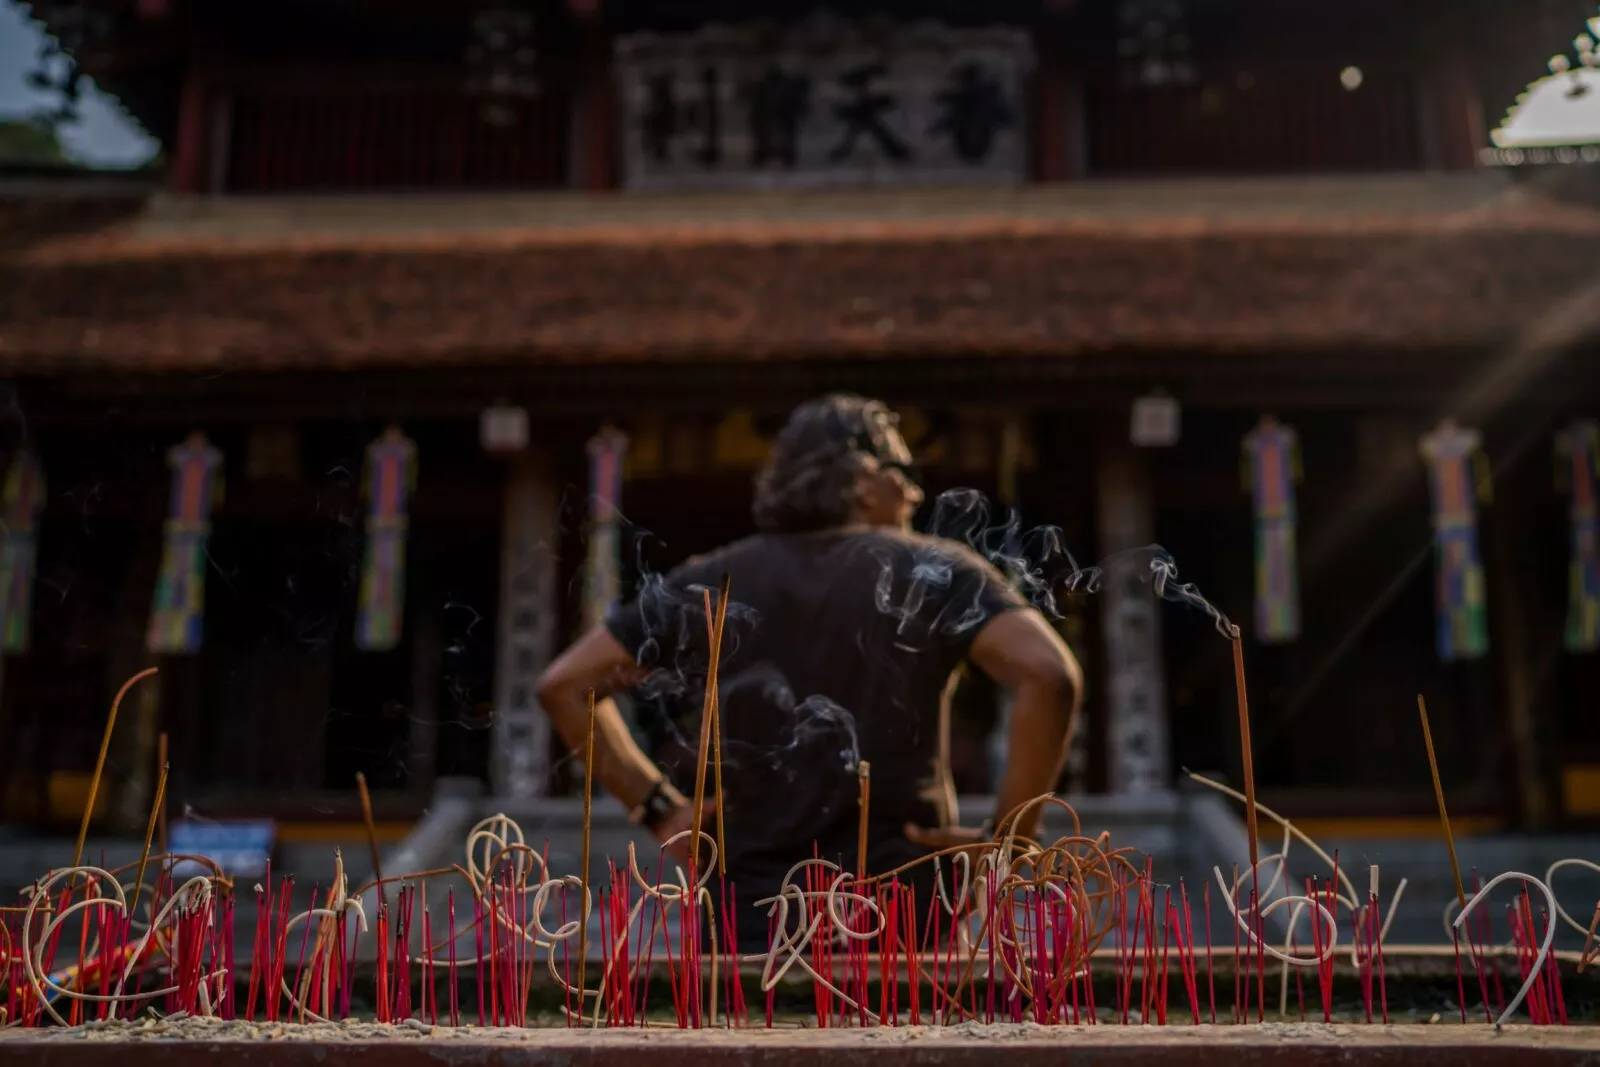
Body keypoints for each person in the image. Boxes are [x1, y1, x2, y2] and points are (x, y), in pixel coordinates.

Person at [536, 394, 1082, 941]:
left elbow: (566, 684)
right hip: (904, 911)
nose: (915, 490)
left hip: (748, 918)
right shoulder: (934, 568)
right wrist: (1012, 842)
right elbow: (1049, 674)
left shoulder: (716, 577)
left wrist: (658, 810)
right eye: (901, 471)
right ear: (864, 479)